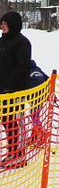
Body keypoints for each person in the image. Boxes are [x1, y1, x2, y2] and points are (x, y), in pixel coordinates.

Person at [0, 11, 32, 168]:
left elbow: (22, 67)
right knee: (6, 121)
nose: (2, 27)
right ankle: (12, 152)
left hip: (16, 90)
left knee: (16, 122)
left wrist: (10, 84)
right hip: (2, 92)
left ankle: (19, 154)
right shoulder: (3, 41)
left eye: (5, 24)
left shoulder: (22, 43)